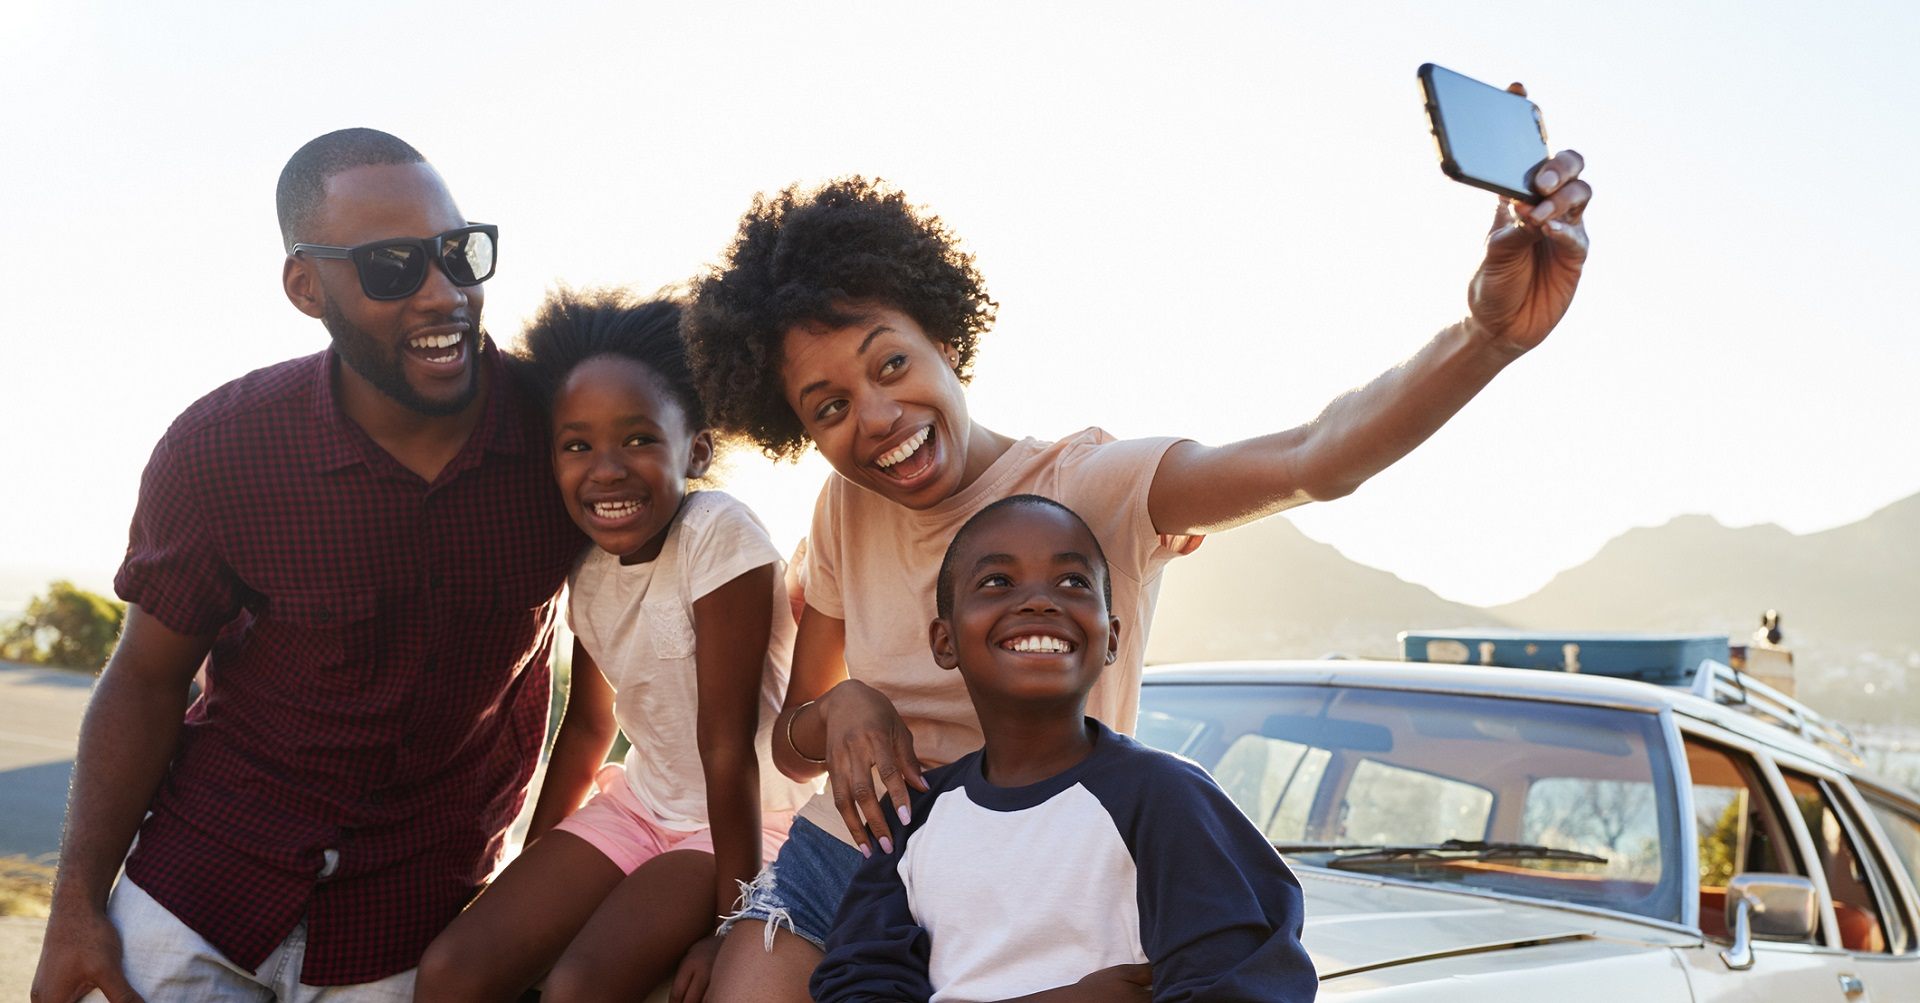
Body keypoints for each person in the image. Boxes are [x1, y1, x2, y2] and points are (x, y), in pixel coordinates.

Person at [685, 139, 1589, 1000]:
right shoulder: (846, 507)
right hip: (851, 858)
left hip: (1035, 882)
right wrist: (845, 704)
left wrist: (1488, 337)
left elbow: (1316, 455)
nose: (875, 416)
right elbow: (788, 739)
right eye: (830, 405)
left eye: (892, 363)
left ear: (946, 342)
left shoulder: (1089, 486)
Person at [31, 128, 583, 1003]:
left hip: (414, 933)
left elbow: (627, 666)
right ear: (305, 286)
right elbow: (144, 677)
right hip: (193, 903)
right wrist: (73, 907)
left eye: (459, 254)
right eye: (394, 267)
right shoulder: (220, 450)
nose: (444, 293)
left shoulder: (564, 439)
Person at [414, 290, 817, 1003]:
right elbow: (591, 724)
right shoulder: (587, 567)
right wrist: (533, 871)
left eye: (637, 439)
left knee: (576, 986)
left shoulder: (718, 534)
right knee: (452, 970)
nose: (606, 468)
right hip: (641, 805)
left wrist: (732, 927)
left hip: (742, 823)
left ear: (695, 448)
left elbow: (726, 748)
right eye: (578, 444)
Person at [811, 495, 1317, 1003]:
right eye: (997, 582)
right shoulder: (912, 815)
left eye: (1072, 582)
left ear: (1112, 636)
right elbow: (857, 989)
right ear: (946, 642)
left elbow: (1245, 981)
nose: (1038, 601)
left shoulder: (1166, 798)